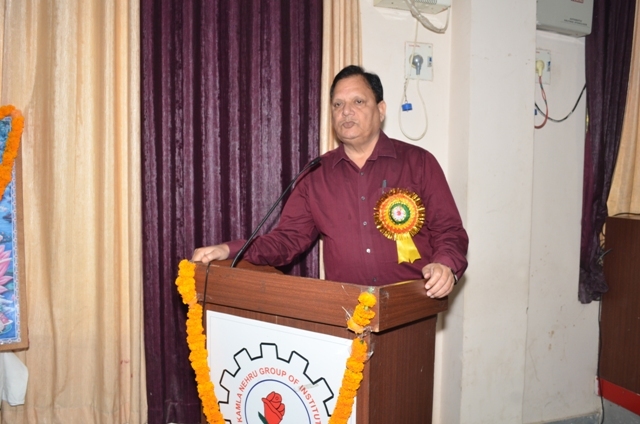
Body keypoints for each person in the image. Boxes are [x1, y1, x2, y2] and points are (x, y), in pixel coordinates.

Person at [192, 65, 468, 298]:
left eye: (358, 102)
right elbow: (287, 241)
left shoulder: (418, 162)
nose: (346, 111)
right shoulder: (316, 173)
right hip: (345, 312)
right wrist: (230, 249)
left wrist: (445, 265)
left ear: (381, 109)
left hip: (410, 305)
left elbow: (449, 230)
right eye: (338, 104)